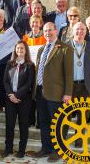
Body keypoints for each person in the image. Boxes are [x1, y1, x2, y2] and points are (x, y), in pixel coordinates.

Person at [33, 22, 73, 162]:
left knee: (57, 123)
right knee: (43, 122)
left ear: (56, 31)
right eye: (45, 31)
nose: (48, 33)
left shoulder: (65, 48)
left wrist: (68, 93)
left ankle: (58, 151)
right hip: (40, 91)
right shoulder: (41, 49)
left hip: (56, 93)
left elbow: (69, 74)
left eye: (50, 30)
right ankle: (46, 148)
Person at [63, 22, 90, 147]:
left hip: (86, 86)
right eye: (77, 29)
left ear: (86, 32)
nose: (80, 32)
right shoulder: (65, 46)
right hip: (70, 86)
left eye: (82, 30)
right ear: (73, 31)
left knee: (83, 115)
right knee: (66, 114)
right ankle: (62, 140)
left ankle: (79, 141)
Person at [2, 41, 35, 158]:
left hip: (24, 100)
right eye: (18, 48)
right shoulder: (9, 63)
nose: (20, 50)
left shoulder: (30, 65)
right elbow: (5, 80)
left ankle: (21, 150)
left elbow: (29, 83)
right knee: (9, 125)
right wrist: (11, 94)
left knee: (23, 125)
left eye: (22, 48)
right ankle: (8, 148)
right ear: (15, 50)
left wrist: (17, 96)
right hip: (10, 99)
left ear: (26, 50)